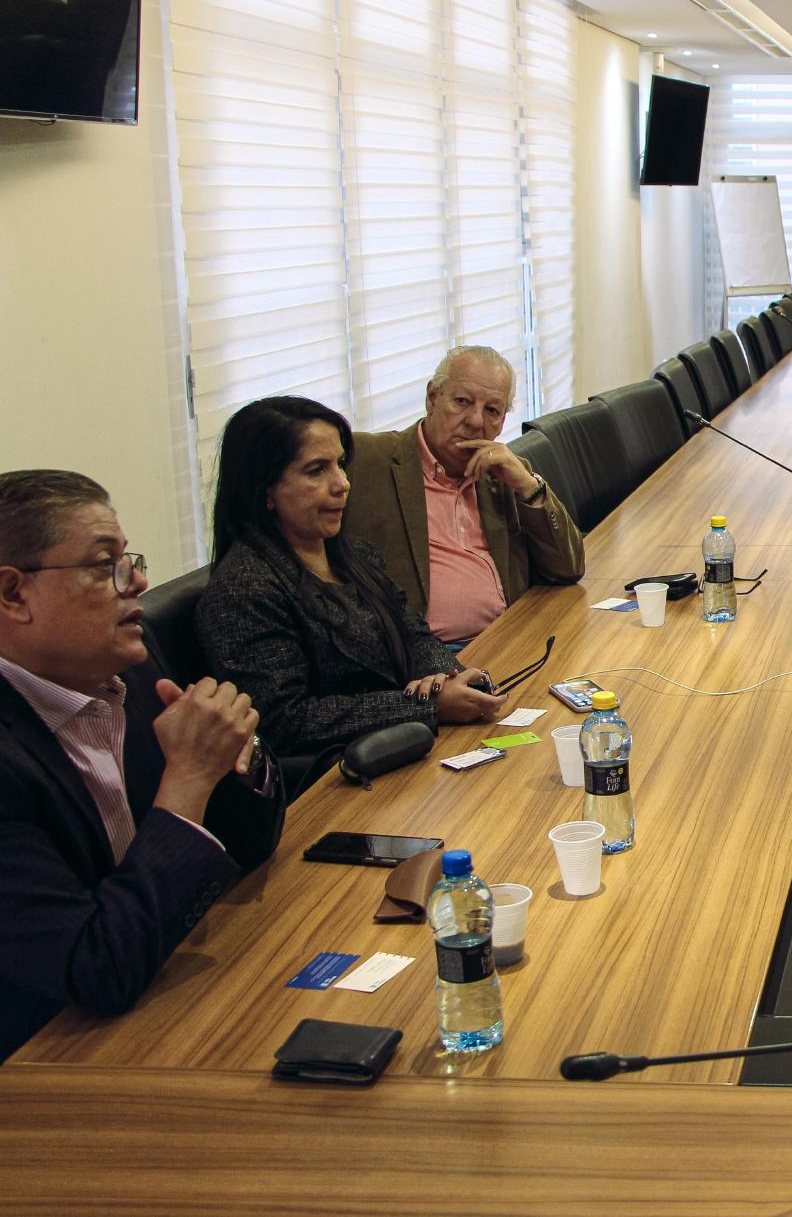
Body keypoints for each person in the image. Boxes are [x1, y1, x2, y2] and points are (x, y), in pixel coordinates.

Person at [0, 470, 283, 1057]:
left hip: (166, 979)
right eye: (105, 564)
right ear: (13, 594)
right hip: (47, 1056)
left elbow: (248, 844)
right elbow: (96, 967)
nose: (138, 581)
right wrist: (188, 780)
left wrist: (237, 753)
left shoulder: (127, 660)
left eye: (128, 559)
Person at [197, 396, 505, 764]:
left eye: (340, 464)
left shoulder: (354, 553)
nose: (342, 484)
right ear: (265, 490)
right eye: (317, 471)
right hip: (341, 775)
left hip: (412, 746)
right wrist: (426, 705)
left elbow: (413, 633)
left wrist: (447, 676)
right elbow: (285, 722)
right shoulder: (244, 589)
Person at [341, 345, 583, 645]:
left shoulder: (506, 474)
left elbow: (568, 568)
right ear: (432, 398)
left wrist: (528, 486)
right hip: (425, 656)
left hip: (509, 638)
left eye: (492, 410)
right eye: (462, 401)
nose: (475, 421)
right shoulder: (365, 460)